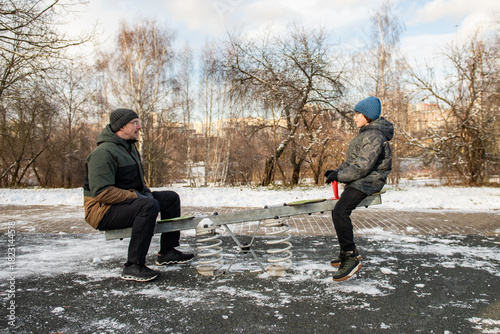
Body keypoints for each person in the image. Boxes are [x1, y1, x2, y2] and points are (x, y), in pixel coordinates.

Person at [83, 108, 194, 282]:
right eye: (134, 123)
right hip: (102, 211)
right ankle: (133, 265)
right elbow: (101, 193)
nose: (139, 127)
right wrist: (138, 197)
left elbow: (137, 184)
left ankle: (167, 251)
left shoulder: (129, 149)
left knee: (170, 198)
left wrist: (145, 194)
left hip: (125, 203)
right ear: (120, 127)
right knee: (148, 206)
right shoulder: (103, 153)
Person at [324, 96, 393, 282]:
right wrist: (336, 172)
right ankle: (349, 251)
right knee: (338, 211)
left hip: (369, 181)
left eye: (358, 114)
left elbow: (363, 166)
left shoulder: (374, 136)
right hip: (361, 180)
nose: (354, 118)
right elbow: (351, 162)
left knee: (340, 211)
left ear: (368, 115)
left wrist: (339, 176)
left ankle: (350, 257)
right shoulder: (365, 134)